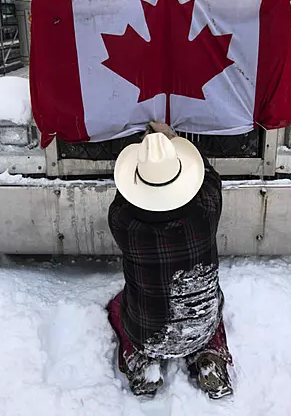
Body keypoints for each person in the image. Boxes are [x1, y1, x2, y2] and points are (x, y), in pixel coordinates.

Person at [106, 121, 233, 399]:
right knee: (211, 311)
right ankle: (211, 356)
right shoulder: (207, 210)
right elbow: (210, 176)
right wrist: (171, 139)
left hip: (148, 334)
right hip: (200, 327)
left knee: (119, 305)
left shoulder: (123, 224)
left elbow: (123, 196)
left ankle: (143, 363)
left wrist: (144, 158)